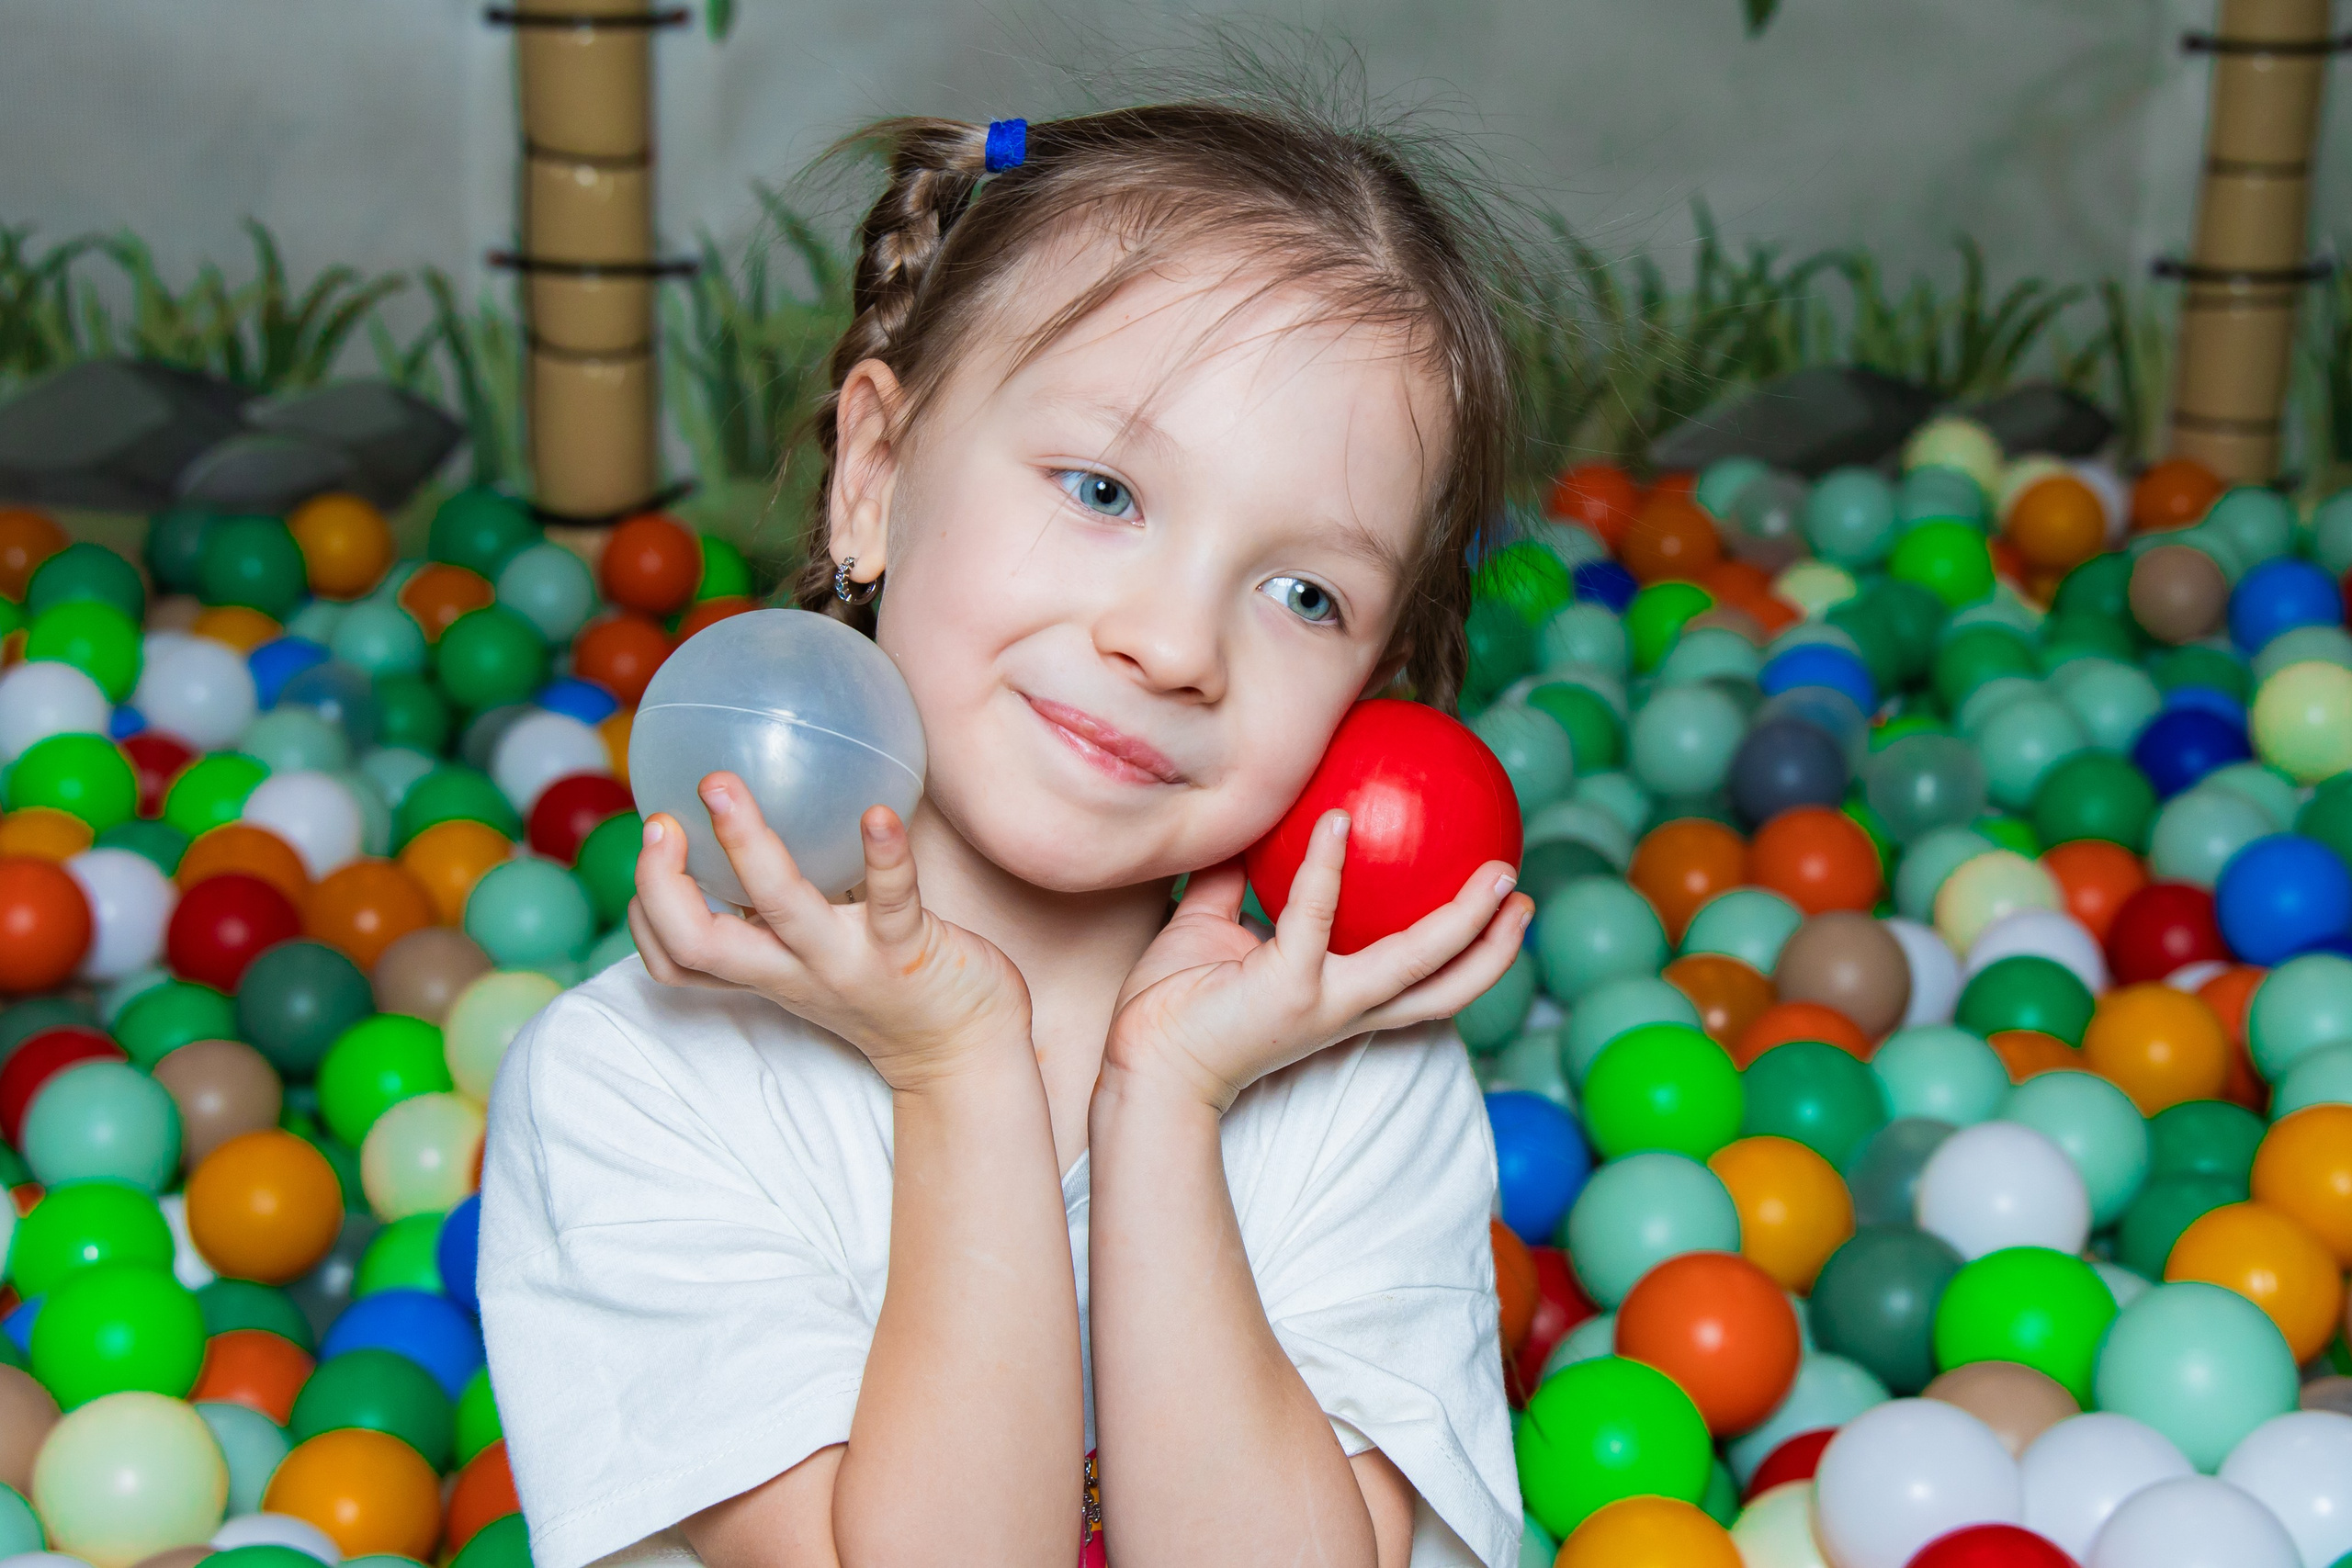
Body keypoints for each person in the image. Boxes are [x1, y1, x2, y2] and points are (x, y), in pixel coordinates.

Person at [480, 95, 1540, 1568]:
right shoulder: (640, 1084)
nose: (1174, 645)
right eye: (1103, 491)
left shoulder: (1357, 1085)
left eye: (1307, 594)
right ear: (874, 477)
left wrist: (1166, 1106)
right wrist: (958, 1064)